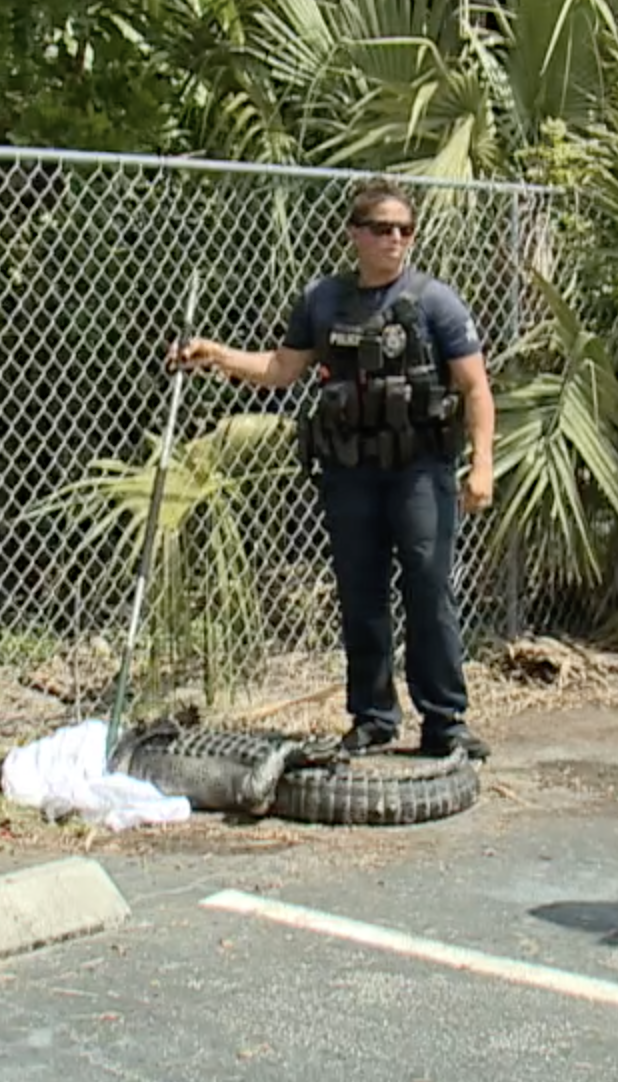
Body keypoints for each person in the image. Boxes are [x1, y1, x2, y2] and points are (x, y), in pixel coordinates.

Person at [173, 179, 497, 761]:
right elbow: (280, 368)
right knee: (360, 592)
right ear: (355, 234)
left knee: (428, 587)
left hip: (421, 470)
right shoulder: (323, 300)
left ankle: (445, 721)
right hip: (350, 471)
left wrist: (483, 468)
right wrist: (218, 355)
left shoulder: (436, 302)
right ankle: (372, 718)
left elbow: (475, 388)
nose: (395, 239)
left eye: (405, 229)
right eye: (382, 228)